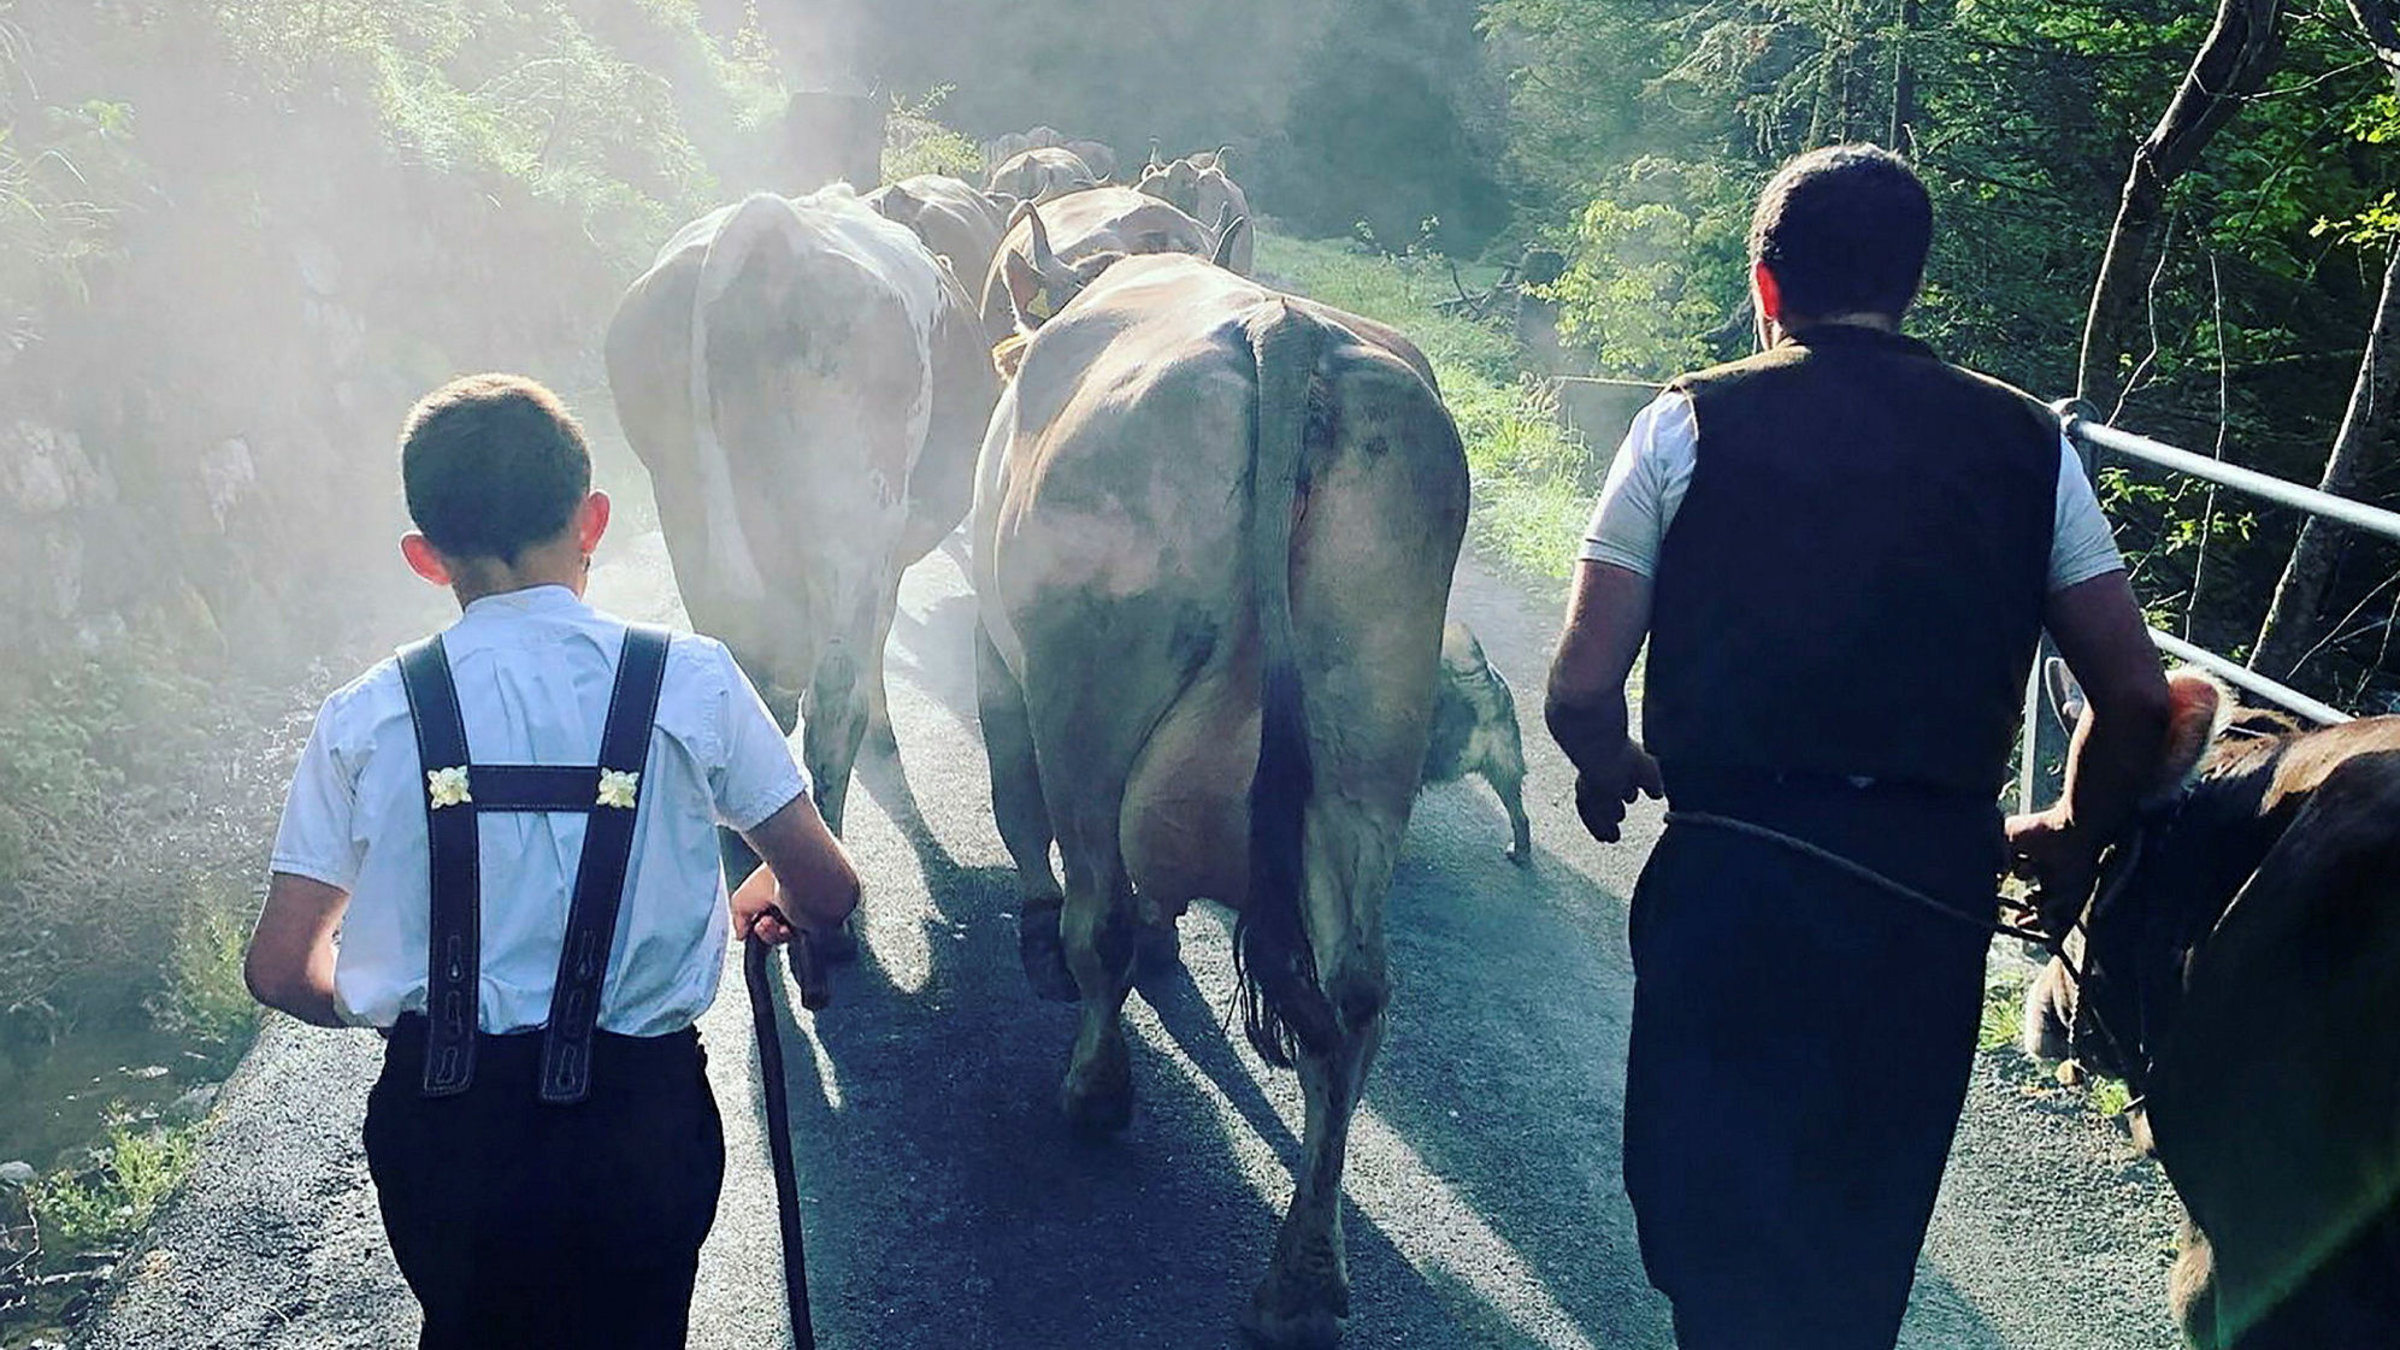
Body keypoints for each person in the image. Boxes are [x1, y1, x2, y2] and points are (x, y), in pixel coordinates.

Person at [1545, 145, 2172, 1349]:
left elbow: (1580, 683)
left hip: (1729, 875)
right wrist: (2068, 837)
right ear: (1911, 287)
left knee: (1709, 1229)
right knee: (1857, 1238)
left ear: (1765, 286)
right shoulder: (2029, 445)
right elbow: (2137, 701)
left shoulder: (1684, 422)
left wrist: (1608, 761)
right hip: (1923, 897)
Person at [242, 373, 860, 1350]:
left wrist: (400, 1006)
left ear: (424, 558)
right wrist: (771, 893)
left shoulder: (365, 713)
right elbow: (829, 888)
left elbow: (279, 968)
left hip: (443, 1130)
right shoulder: (688, 678)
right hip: (639, 1126)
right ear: (593, 521)